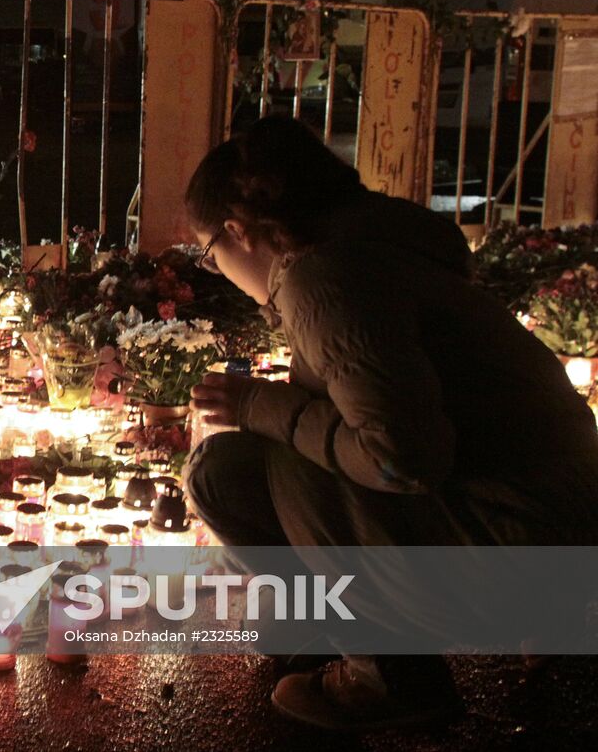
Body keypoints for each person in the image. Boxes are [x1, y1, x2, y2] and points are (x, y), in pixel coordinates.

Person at [181, 115, 598, 730]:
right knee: (276, 445)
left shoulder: (324, 276)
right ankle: (329, 629)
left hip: (519, 550)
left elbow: (400, 457)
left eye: (210, 257)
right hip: (556, 529)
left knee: (239, 467)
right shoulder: (388, 245)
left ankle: (388, 678)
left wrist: (257, 407)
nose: (217, 272)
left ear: (239, 231)